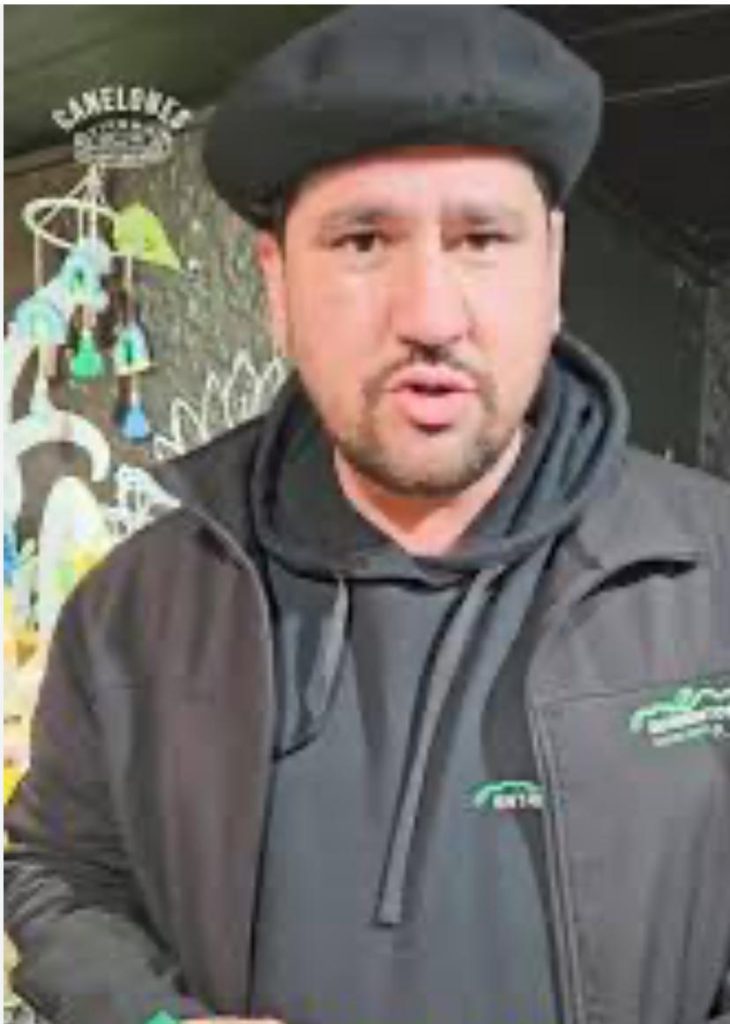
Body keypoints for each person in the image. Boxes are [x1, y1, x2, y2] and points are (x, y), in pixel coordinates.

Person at [5, 7, 730, 1024]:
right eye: (361, 240)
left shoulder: (711, 574)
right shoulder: (136, 605)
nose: (429, 314)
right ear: (277, 285)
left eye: (482, 238)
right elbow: (58, 872)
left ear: (551, 267)